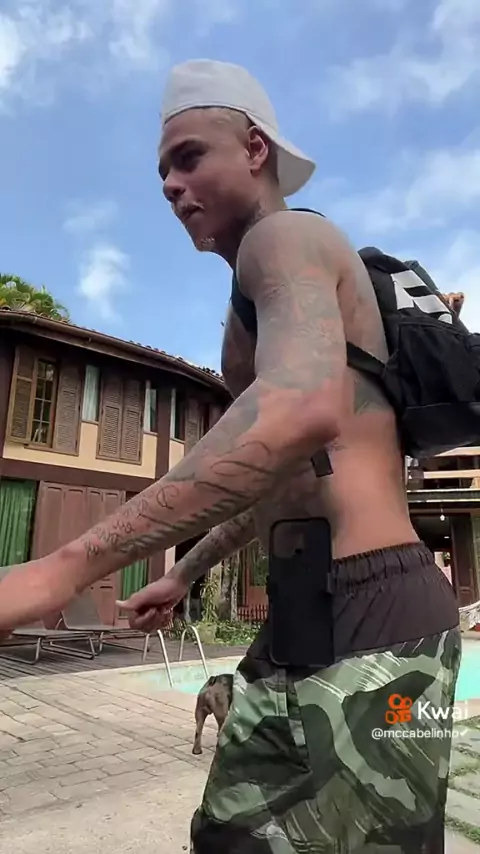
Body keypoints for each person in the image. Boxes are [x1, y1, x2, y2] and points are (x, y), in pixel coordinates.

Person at [0, 60, 460, 853]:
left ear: (254, 149)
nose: (170, 186)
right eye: (162, 172)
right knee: (228, 837)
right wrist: (186, 571)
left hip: (379, 613)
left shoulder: (286, 238)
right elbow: (280, 471)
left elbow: (300, 410)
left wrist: (64, 567)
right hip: (303, 608)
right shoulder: (253, 305)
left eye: (188, 158)